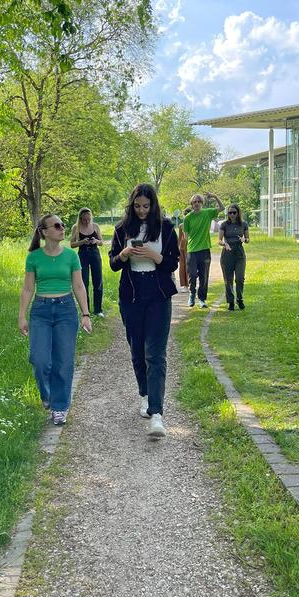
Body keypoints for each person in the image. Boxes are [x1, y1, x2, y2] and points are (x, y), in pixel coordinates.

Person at [109, 183, 180, 439]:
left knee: (156, 354)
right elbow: (113, 264)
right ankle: (145, 394)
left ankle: (157, 413)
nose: (141, 210)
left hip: (158, 295)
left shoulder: (167, 227)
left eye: (146, 206)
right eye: (137, 206)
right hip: (131, 294)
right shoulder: (120, 229)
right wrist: (125, 254)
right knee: (137, 352)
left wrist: (154, 255)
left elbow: (173, 262)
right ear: (132, 205)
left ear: (154, 206)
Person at [18, 213, 92, 426]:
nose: (62, 228)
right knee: (39, 360)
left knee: (63, 362)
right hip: (40, 311)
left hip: (65, 311)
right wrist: (21, 316)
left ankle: (59, 407)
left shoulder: (71, 256)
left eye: (63, 225)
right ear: (44, 232)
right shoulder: (33, 257)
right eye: (57, 225)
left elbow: (78, 286)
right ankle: (48, 395)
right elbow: (28, 288)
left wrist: (85, 314)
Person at [183, 192, 225, 308]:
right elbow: (186, 237)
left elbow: (222, 208)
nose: (196, 203)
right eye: (194, 202)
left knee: (204, 276)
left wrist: (215, 196)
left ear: (202, 203)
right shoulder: (188, 218)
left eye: (198, 201)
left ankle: (202, 299)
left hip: (205, 250)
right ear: (192, 204)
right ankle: (192, 294)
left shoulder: (207, 213)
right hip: (192, 250)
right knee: (191, 273)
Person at [70, 207, 104, 317]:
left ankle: (98, 310)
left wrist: (95, 241)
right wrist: (82, 242)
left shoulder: (95, 226)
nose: (87, 222)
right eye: (84, 220)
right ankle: (86, 310)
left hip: (95, 253)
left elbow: (102, 242)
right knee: (84, 282)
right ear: (80, 218)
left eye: (88, 219)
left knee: (98, 281)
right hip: (82, 254)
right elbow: (72, 244)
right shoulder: (76, 227)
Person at [219, 204, 249, 311]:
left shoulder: (243, 224)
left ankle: (239, 299)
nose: (232, 215)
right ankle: (230, 302)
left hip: (239, 253)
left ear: (238, 213)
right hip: (227, 253)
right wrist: (224, 244)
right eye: (230, 213)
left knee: (240, 278)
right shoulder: (224, 224)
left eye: (234, 212)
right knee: (228, 279)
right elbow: (219, 240)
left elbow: (248, 239)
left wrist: (244, 240)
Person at [177, 208, 191, 292]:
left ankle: (191, 283)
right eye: (184, 215)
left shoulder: (193, 224)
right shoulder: (181, 225)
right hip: (182, 247)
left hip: (191, 246)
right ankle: (184, 285)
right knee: (182, 266)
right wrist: (178, 247)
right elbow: (179, 238)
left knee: (190, 265)